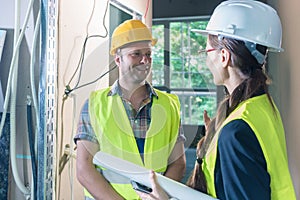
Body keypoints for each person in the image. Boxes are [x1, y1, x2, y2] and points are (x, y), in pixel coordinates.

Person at [136, 1, 296, 200]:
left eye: (207, 52)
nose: (206, 60)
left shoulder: (236, 131)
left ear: (223, 56)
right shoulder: (261, 106)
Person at [74, 19, 186, 200]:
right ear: (118, 59)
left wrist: (158, 197)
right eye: (136, 54)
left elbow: (178, 163)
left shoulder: (169, 105)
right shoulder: (95, 105)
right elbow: (84, 169)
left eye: (148, 54)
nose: (145, 60)